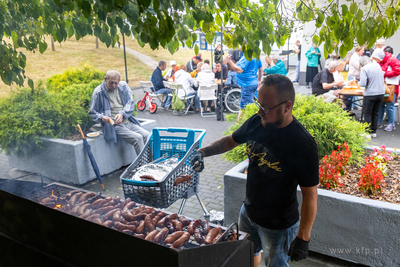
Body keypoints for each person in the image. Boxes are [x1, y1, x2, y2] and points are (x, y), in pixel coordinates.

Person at [190, 74, 318, 267]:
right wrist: (202, 152)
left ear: (287, 106)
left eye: (266, 107)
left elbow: (310, 195)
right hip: (248, 212)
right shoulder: (256, 122)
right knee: (248, 256)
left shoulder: (302, 144)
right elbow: (229, 141)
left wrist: (303, 237)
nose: (260, 111)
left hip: (279, 226)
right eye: (259, 103)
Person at [89, 70, 149, 156]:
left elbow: (130, 103)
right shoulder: (98, 92)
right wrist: (102, 117)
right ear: (105, 79)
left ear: (119, 81)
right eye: (111, 83)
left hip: (128, 122)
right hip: (114, 126)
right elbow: (93, 112)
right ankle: (143, 166)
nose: (114, 86)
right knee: (138, 138)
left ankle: (151, 162)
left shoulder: (124, 86)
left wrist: (122, 114)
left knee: (147, 135)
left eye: (116, 83)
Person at [226, 53, 263, 121]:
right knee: (242, 107)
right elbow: (261, 69)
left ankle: (250, 126)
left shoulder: (247, 56)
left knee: (248, 109)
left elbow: (239, 70)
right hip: (252, 83)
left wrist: (229, 61)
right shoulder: (255, 55)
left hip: (247, 85)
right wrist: (259, 80)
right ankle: (238, 124)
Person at [358, 55, 385, 138]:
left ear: (362, 63)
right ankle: (374, 131)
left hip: (370, 93)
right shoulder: (377, 65)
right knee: (375, 113)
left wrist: (357, 82)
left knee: (367, 113)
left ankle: (367, 132)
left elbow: (362, 83)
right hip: (380, 92)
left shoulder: (364, 69)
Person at [376, 47, 400, 132]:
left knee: (389, 105)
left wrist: (385, 73)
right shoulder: (385, 60)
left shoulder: (392, 60)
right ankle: (380, 122)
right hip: (385, 85)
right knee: (382, 104)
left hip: (390, 86)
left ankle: (391, 124)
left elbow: (398, 71)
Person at [348, 45, 365, 110]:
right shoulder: (355, 57)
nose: (363, 52)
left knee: (356, 91)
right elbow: (359, 66)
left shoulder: (359, 56)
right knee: (354, 91)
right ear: (358, 50)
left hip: (356, 76)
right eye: (362, 50)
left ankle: (355, 105)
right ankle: (353, 106)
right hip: (353, 76)